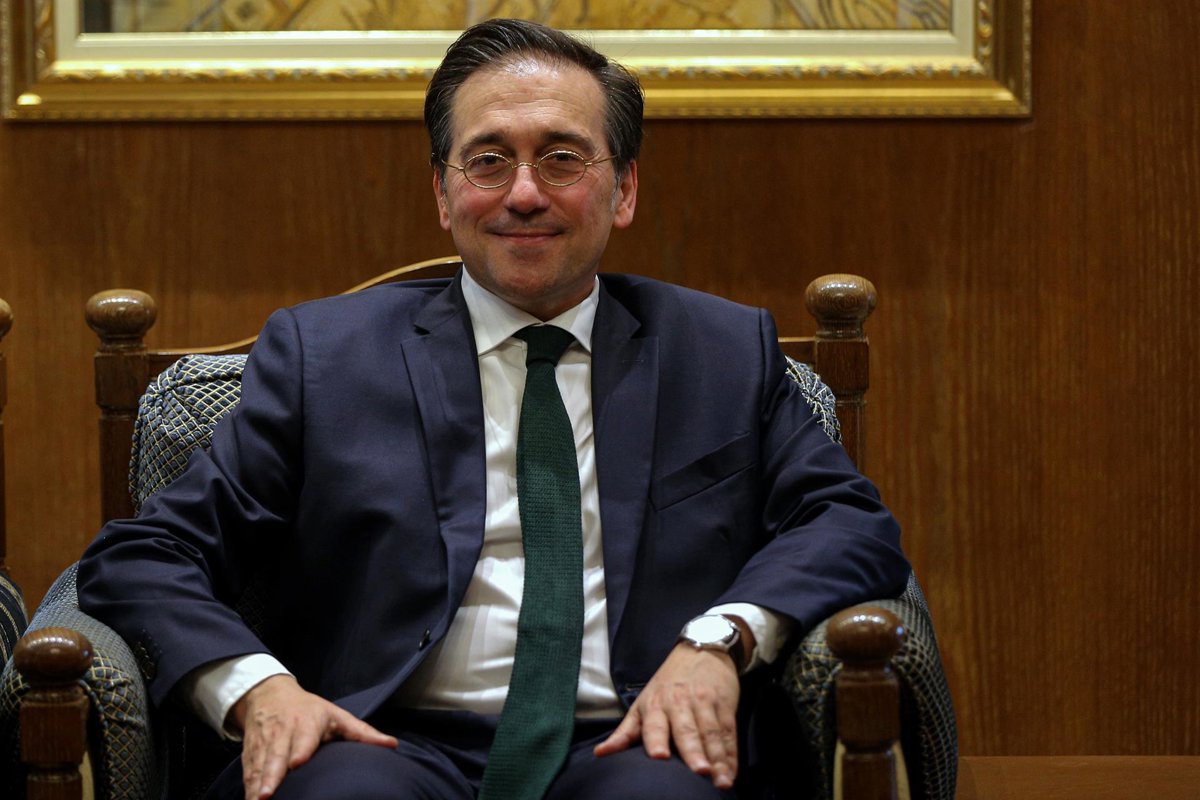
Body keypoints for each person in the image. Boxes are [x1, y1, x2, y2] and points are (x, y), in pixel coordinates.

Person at [77, 17, 909, 800]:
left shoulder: (719, 352)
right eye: (487, 161)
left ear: (622, 189)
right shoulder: (323, 360)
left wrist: (719, 641)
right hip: (385, 741)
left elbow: (848, 522)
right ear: (444, 196)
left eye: (561, 159)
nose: (523, 194)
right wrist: (259, 690)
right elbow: (144, 554)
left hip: (636, 737)